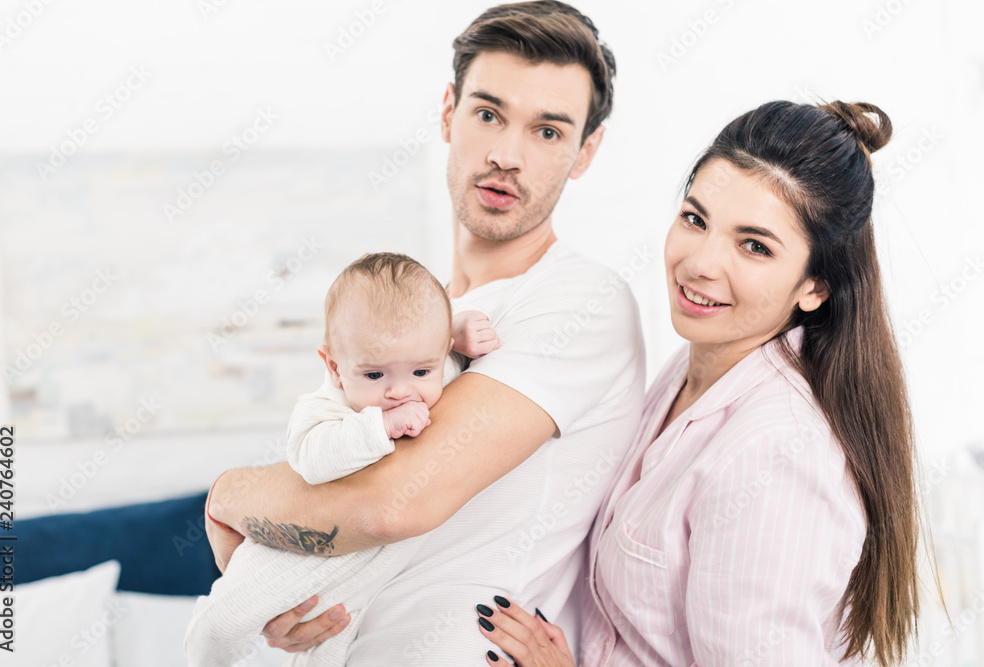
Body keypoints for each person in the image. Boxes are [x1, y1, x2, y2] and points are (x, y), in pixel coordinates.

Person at [205, 2, 647, 664]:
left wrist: (225, 495)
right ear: (448, 112)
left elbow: (388, 503)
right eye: (489, 114)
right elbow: (329, 482)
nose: (506, 155)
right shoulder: (410, 320)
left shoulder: (581, 301)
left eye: (548, 132)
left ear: (586, 152)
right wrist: (279, 597)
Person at [475, 100, 922, 666]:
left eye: (754, 246)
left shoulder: (777, 455)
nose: (701, 263)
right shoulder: (694, 371)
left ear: (815, 287)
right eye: (695, 219)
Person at [185, 252, 499, 665]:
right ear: (334, 366)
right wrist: (378, 427)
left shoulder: (431, 362)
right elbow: (310, 460)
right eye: (374, 376)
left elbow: (433, 336)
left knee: (329, 649)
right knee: (220, 624)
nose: (401, 391)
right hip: (293, 557)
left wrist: (459, 330)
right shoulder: (323, 407)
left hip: (368, 573)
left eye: (422, 372)